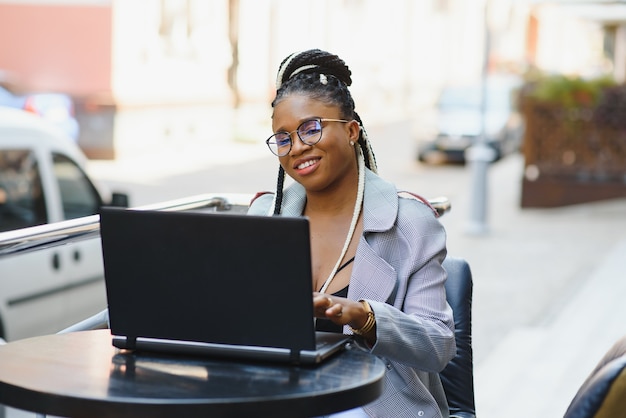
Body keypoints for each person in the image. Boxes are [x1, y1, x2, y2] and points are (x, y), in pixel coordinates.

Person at [248, 49, 456, 418]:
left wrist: (363, 316)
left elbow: (438, 346)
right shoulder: (266, 215)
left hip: (372, 406)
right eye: (282, 138)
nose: (297, 147)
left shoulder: (410, 222)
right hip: (279, 398)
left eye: (311, 128)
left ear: (351, 131)